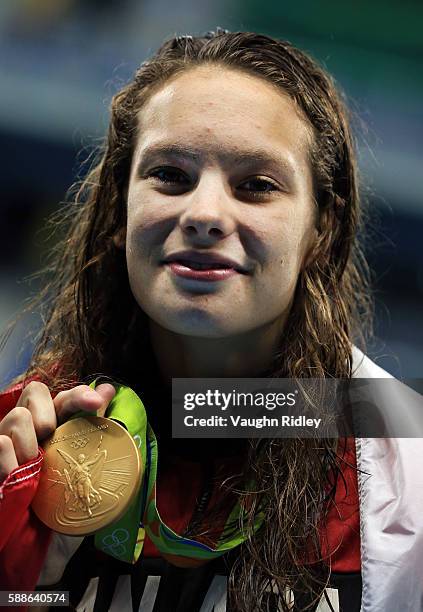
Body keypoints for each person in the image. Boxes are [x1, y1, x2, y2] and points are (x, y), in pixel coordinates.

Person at [0, 29, 421, 612]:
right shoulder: (21, 443)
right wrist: (18, 590)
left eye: (256, 186)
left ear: (321, 228)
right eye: (171, 175)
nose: (204, 214)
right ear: (120, 207)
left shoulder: (409, 466)